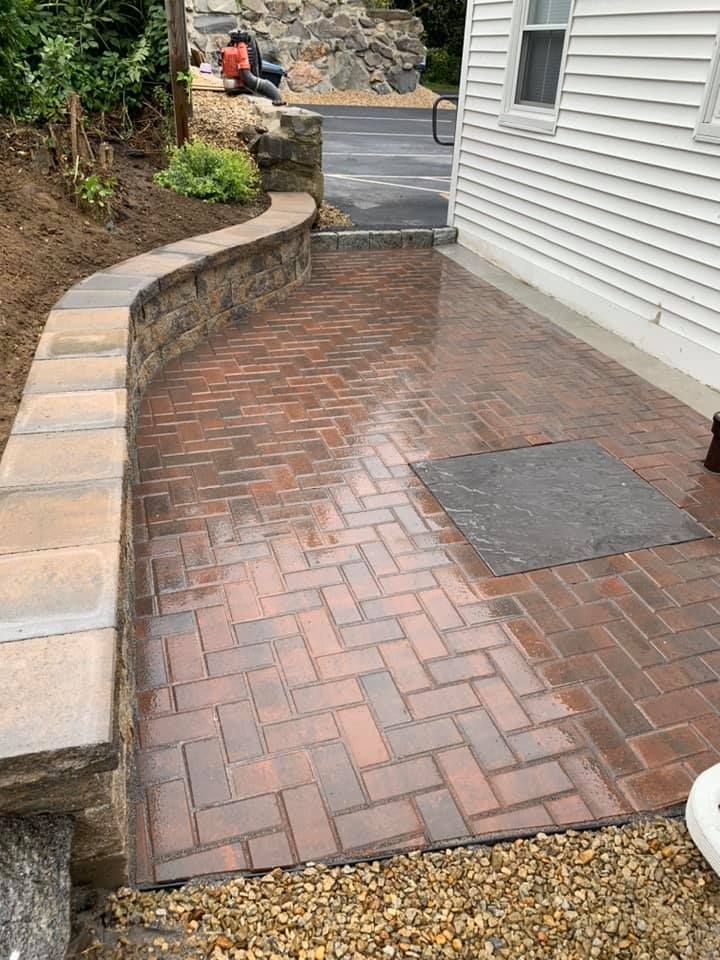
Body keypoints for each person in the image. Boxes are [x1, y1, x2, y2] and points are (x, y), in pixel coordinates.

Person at [221, 29, 286, 106]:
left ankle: (276, 98)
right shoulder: (237, 49)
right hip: (241, 78)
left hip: (245, 77)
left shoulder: (242, 49)